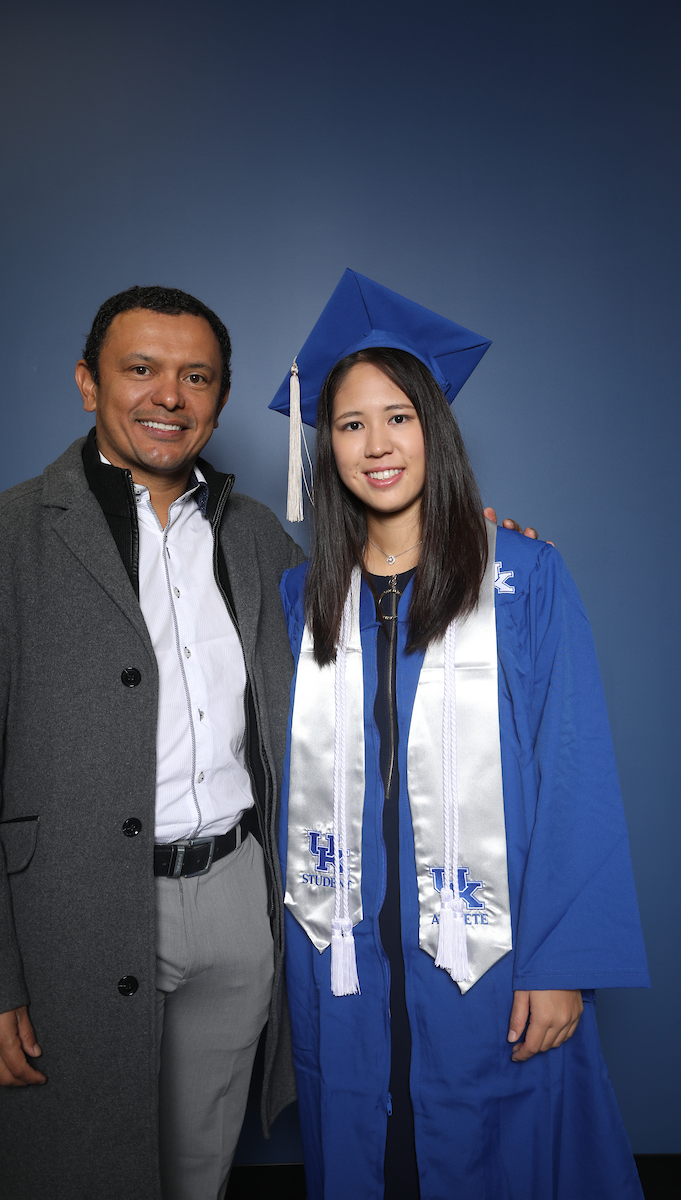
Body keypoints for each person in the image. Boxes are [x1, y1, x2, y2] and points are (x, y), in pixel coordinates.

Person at [0, 285, 305, 1200]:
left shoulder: (259, 539)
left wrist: (472, 544)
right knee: (70, 1168)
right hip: (71, 916)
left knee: (197, 1167)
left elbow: (359, 638)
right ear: (89, 384)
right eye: (142, 370)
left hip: (235, 902)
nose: (170, 396)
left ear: (218, 398)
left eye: (196, 377)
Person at [270, 270, 650, 1200]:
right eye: (351, 424)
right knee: (371, 1145)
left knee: (497, 1149)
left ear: (433, 430)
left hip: (487, 945)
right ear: (327, 449)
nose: (376, 444)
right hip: (348, 948)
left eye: (397, 416)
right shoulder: (303, 596)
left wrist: (565, 967)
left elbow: (574, 771)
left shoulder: (520, 573)